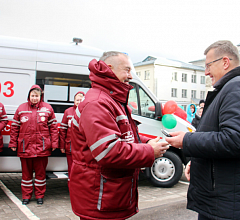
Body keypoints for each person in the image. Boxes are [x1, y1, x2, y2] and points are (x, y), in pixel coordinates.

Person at [166, 40, 240, 220]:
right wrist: (198, 162)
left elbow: (237, 140)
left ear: (225, 62)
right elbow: (219, 137)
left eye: (208, 65)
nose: (206, 72)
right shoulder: (231, 89)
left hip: (230, 205)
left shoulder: (238, 88)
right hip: (223, 200)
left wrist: (187, 140)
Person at [69, 51, 169, 220]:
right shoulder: (98, 103)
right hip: (100, 199)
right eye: (127, 70)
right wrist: (149, 151)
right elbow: (108, 151)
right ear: (109, 69)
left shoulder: (111, 100)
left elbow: (126, 136)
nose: (130, 76)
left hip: (109, 196)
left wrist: (148, 142)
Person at [9, 85, 58, 205]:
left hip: (42, 148)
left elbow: (53, 128)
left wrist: (54, 143)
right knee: (26, 175)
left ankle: (39, 196)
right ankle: (26, 196)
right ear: (29, 96)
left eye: (37, 96)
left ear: (40, 97)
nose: (35, 98)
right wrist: (13, 142)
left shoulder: (47, 108)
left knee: (40, 175)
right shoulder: (21, 108)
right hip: (25, 147)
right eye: (33, 96)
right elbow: (14, 127)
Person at [59, 91, 85, 185]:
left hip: (83, 148)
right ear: (74, 101)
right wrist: (62, 146)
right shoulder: (68, 112)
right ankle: (72, 189)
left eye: (81, 100)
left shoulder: (87, 111)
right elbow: (62, 130)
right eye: (77, 100)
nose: (79, 102)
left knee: (82, 170)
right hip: (70, 147)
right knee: (71, 169)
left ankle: (80, 189)